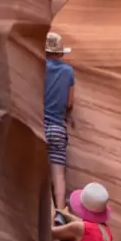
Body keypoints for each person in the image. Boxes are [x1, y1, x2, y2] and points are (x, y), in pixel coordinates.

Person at [44, 30, 76, 211]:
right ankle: (60, 213)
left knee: (37, 174)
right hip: (57, 127)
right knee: (58, 176)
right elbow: (70, 103)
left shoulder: (39, 67)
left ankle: (44, 214)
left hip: (39, 124)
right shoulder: (68, 71)